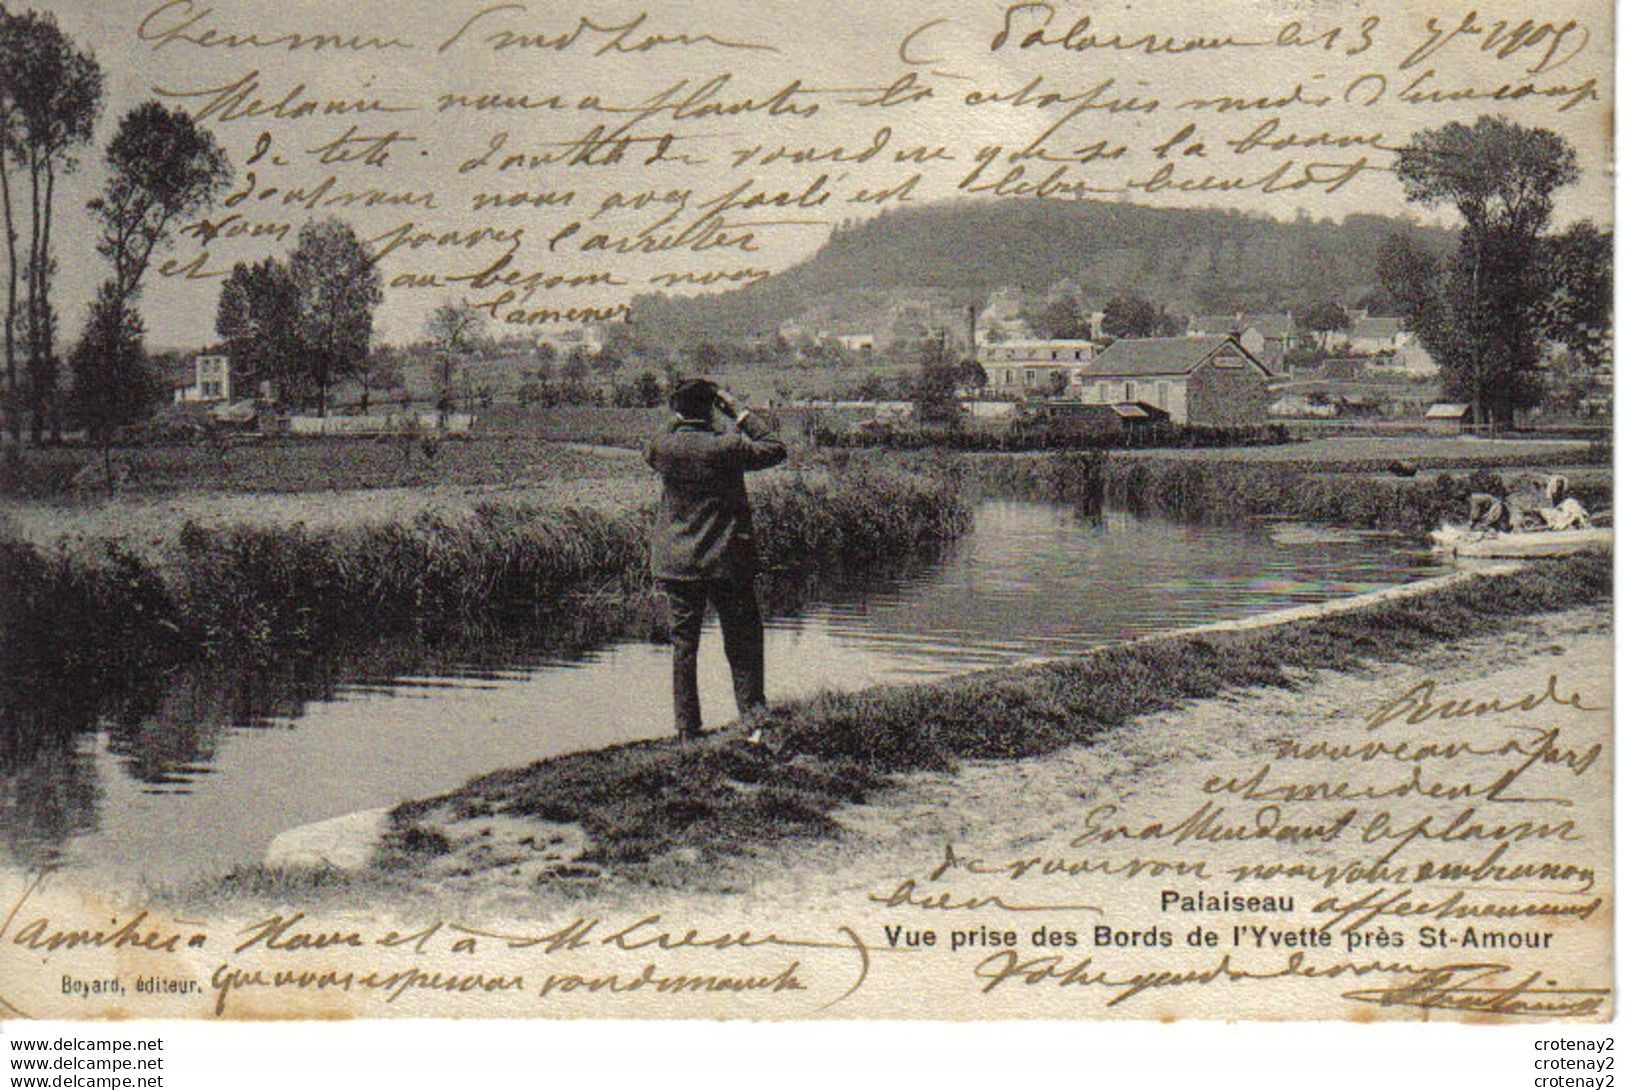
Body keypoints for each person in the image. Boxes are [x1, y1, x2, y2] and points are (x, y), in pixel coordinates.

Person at [645, 379, 787, 739]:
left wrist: (680, 416)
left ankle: (687, 728)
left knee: (684, 646)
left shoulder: (663, 445)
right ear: (712, 407)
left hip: (677, 560)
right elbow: (775, 447)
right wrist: (736, 410)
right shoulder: (727, 445)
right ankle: (752, 715)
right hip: (727, 560)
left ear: (677, 408)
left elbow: (660, 436)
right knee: (742, 639)